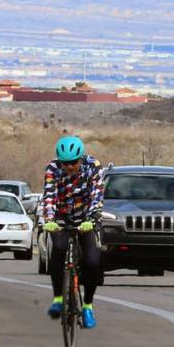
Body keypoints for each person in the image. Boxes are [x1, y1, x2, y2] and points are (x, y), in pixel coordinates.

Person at [41, 135, 105, 329]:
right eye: (65, 163)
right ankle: (58, 299)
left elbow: (97, 195)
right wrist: (49, 219)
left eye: (73, 163)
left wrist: (91, 219)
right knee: (58, 248)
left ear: (81, 158)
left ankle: (87, 306)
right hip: (61, 218)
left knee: (92, 262)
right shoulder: (52, 169)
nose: (69, 167)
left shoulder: (93, 166)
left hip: (87, 218)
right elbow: (49, 196)